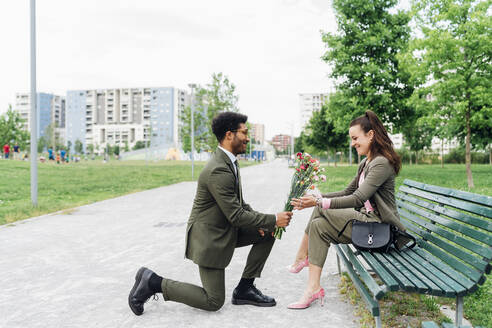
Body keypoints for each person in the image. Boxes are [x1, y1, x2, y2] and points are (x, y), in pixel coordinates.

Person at [128, 112, 293, 315]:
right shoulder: (218, 170)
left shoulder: (229, 162)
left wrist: (265, 223)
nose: (248, 138)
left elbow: (240, 205)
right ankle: (154, 282)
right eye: (244, 132)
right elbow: (236, 216)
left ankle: (245, 289)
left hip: (225, 231)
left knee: (268, 232)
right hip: (210, 239)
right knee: (213, 300)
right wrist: (274, 219)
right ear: (229, 135)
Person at [286, 110, 408, 309]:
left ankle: (301, 257)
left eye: (355, 138)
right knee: (318, 226)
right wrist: (318, 198)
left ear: (370, 135)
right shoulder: (365, 162)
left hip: (379, 226)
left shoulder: (381, 163)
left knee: (320, 210)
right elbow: (347, 191)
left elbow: (358, 198)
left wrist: (318, 202)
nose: (353, 143)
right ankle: (313, 289)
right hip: (365, 221)